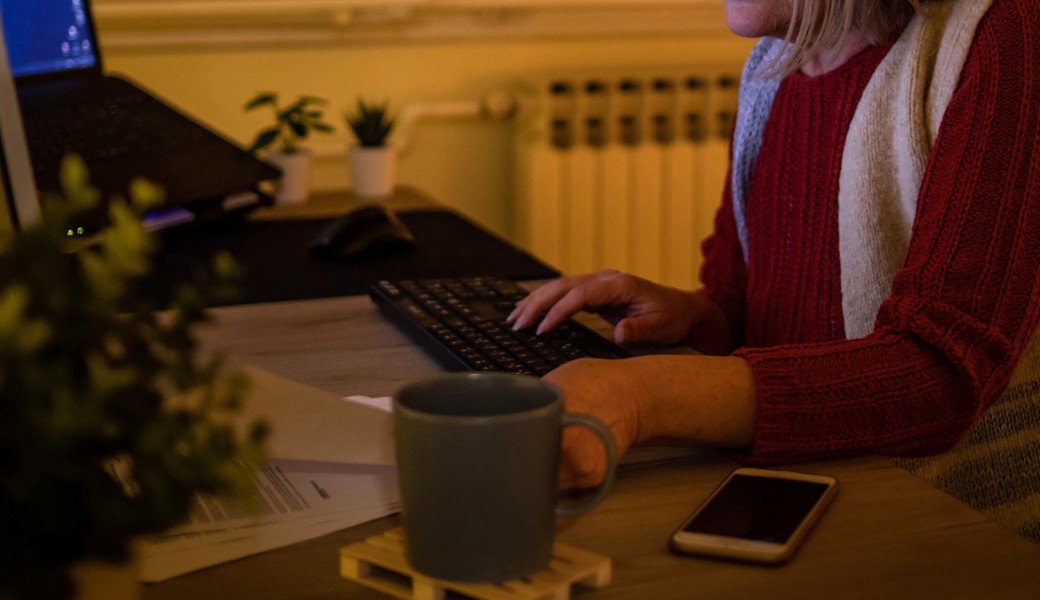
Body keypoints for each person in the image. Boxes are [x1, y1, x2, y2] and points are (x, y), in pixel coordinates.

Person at [509, 0, 1040, 542]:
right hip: (804, 494)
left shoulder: (1005, 38)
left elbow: (943, 375)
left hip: (959, 532)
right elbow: (753, 316)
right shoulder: (777, 63)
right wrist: (699, 318)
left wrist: (644, 396)